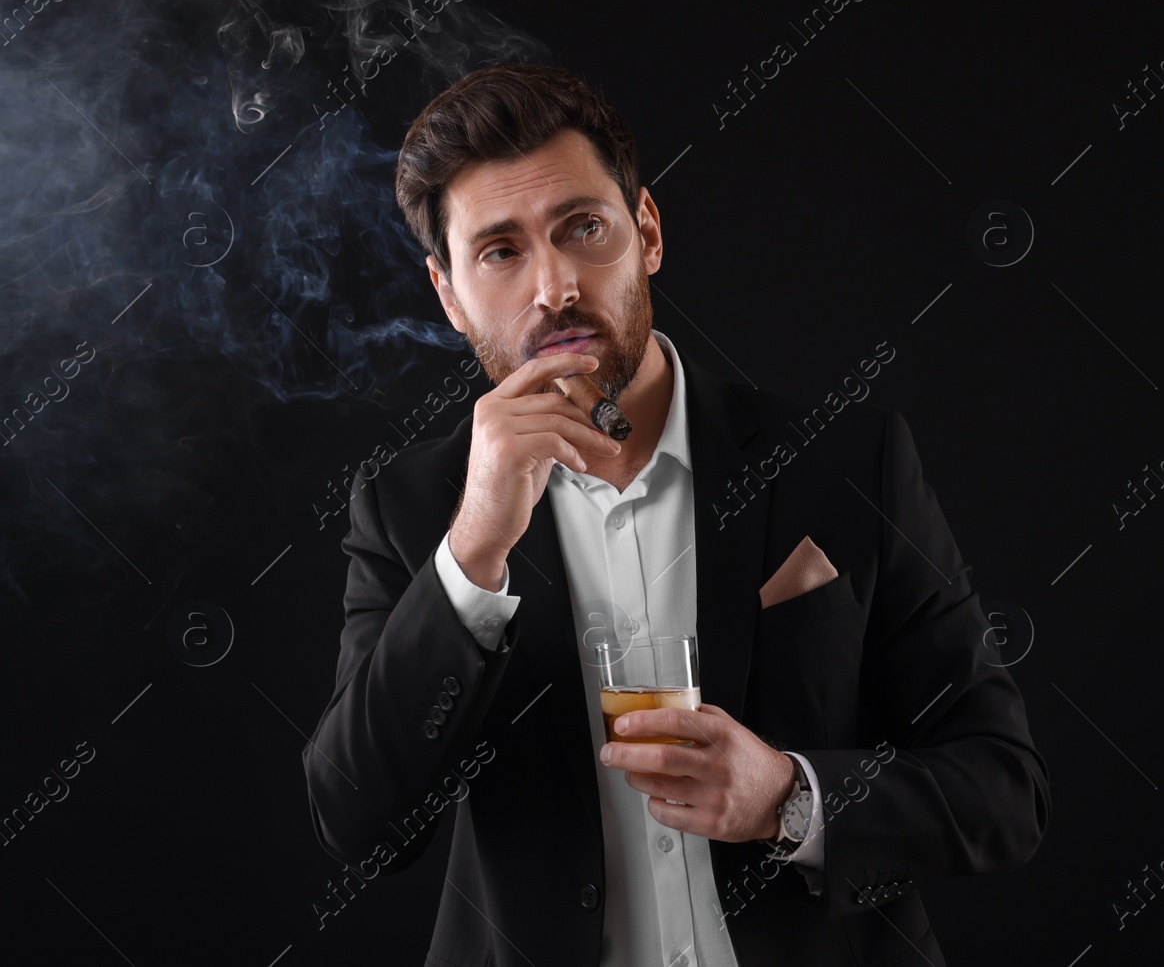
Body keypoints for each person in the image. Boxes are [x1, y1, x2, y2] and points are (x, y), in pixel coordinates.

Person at [301, 62, 1049, 966]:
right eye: (500, 251)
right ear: (449, 295)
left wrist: (790, 797)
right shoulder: (413, 512)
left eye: (583, 227)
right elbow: (360, 824)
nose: (555, 288)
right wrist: (474, 551)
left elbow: (1005, 789)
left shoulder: (849, 465)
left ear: (647, 231)